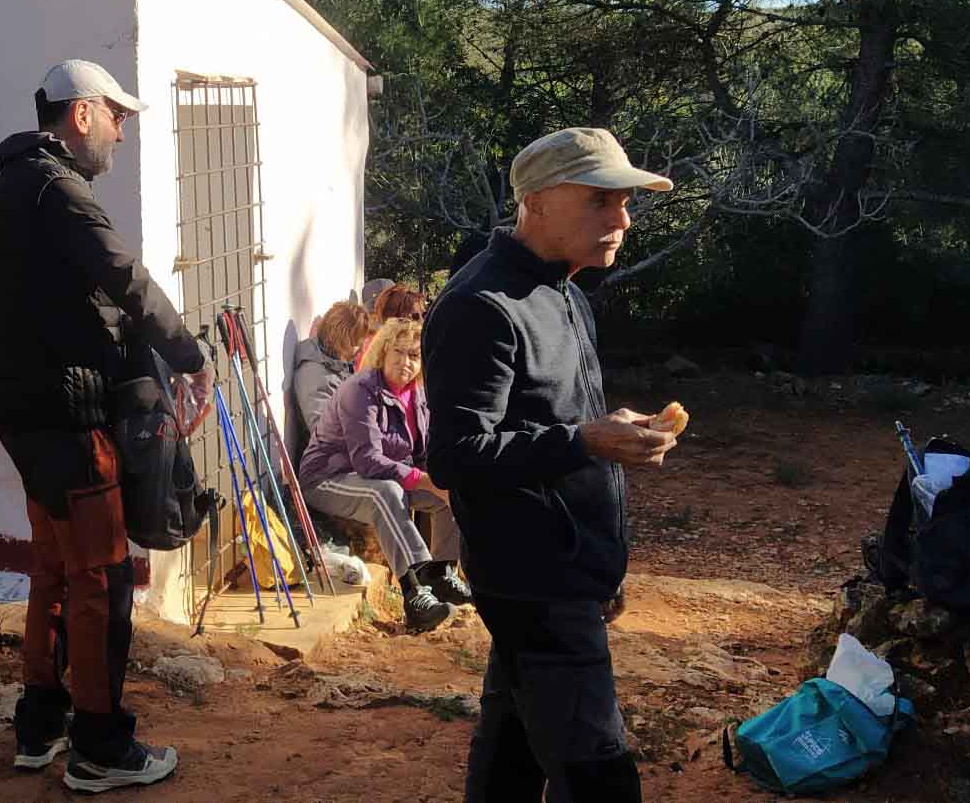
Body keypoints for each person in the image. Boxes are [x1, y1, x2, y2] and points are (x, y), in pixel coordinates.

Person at [424, 126, 681, 802]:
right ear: (535, 202)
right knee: (599, 774)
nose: (621, 219)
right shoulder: (482, 306)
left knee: (513, 748)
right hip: (532, 577)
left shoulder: (565, 291)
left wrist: (602, 556)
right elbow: (454, 456)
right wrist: (587, 441)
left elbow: (558, 422)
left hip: (565, 568)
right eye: (600, 200)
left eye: (625, 201)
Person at [0, 59, 211, 794]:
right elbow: (125, 275)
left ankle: (41, 722)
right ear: (82, 115)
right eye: (118, 116)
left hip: (26, 411)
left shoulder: (16, 181)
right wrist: (189, 356)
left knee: (55, 567)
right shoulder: (58, 189)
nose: (121, 129)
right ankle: (101, 745)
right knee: (102, 579)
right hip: (68, 419)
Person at [299, 317, 468, 631]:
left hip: (381, 477)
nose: (406, 362)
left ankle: (441, 575)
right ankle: (414, 593)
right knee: (386, 493)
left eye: (414, 356)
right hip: (328, 478)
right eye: (399, 352)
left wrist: (442, 478)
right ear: (383, 352)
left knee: (452, 486)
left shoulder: (416, 394)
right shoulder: (360, 390)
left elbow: (423, 453)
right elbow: (367, 461)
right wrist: (426, 480)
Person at [284, 299, 374, 463]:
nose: (361, 349)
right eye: (355, 343)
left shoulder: (337, 363)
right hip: (326, 466)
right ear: (339, 339)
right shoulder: (316, 375)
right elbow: (325, 434)